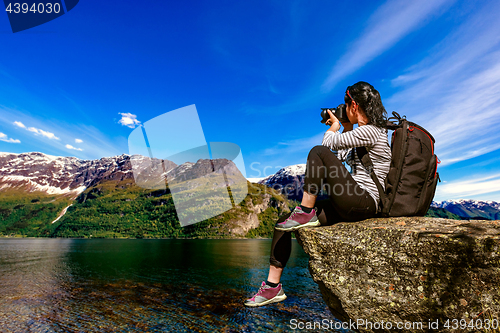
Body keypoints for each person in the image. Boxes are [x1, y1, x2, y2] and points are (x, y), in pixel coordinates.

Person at [244, 81, 391, 307]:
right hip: (353, 201)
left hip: (366, 201)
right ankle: (273, 288)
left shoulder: (373, 131)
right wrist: (345, 126)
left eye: (345, 104)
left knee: (317, 151)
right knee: (283, 222)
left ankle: (306, 210)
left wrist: (334, 127)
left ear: (353, 104)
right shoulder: (362, 134)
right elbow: (339, 159)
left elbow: (327, 144)